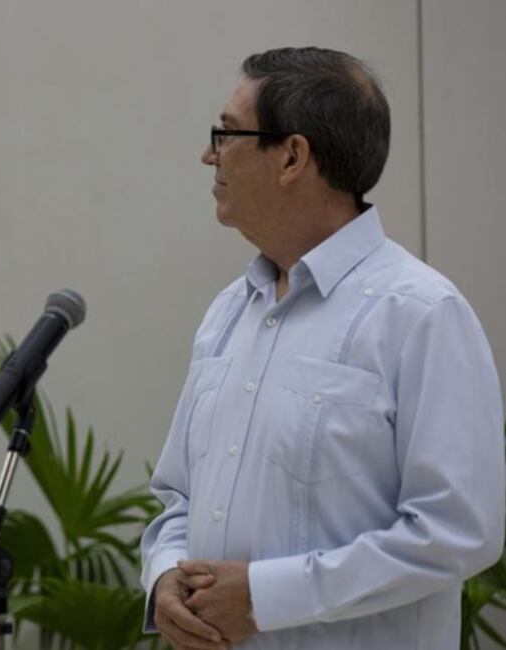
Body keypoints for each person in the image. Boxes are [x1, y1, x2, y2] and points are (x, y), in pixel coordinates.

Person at [140, 47, 504, 649]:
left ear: (291, 156)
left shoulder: (419, 315)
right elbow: (176, 495)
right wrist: (164, 577)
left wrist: (265, 599)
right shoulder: (229, 311)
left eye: (227, 134)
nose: (209, 155)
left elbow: (457, 530)